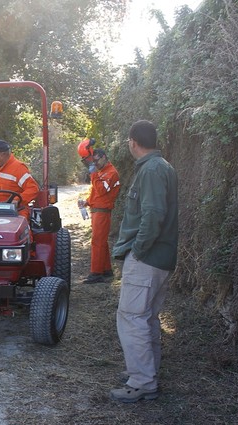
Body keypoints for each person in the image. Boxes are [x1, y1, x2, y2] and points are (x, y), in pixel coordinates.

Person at [110, 120, 178, 403]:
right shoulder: (163, 166)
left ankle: (141, 382)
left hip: (147, 257)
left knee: (132, 317)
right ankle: (146, 373)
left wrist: (137, 251)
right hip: (160, 258)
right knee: (146, 317)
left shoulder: (151, 170)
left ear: (132, 142)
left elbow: (152, 215)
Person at [79, 147, 121, 284]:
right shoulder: (102, 172)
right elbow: (97, 194)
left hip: (102, 213)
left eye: (96, 161)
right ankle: (107, 270)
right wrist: (87, 202)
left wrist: (93, 175)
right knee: (102, 242)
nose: (94, 164)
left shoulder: (111, 173)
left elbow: (102, 190)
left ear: (103, 157)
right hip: (98, 211)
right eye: (93, 162)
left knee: (97, 242)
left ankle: (96, 273)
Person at [0, 139, 40, 217]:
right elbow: (0, 178)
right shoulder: (0, 166)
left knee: (19, 224)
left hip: (16, 209)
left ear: (2, 155)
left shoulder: (19, 168)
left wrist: (17, 200)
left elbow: (33, 189)